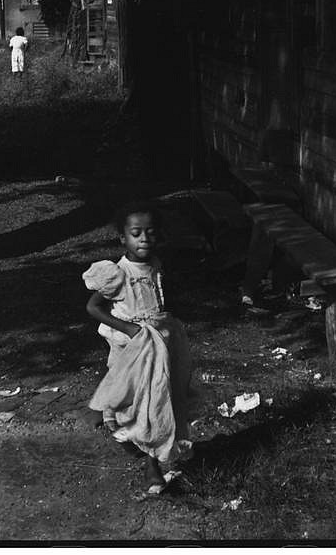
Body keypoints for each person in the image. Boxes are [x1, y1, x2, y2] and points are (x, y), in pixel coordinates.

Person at [82, 202, 193, 494]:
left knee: (154, 400)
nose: (143, 239)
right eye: (136, 233)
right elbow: (93, 307)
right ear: (123, 238)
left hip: (157, 343)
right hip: (130, 346)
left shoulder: (156, 264)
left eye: (150, 233)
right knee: (129, 398)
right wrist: (130, 329)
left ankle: (152, 461)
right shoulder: (118, 273)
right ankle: (117, 424)